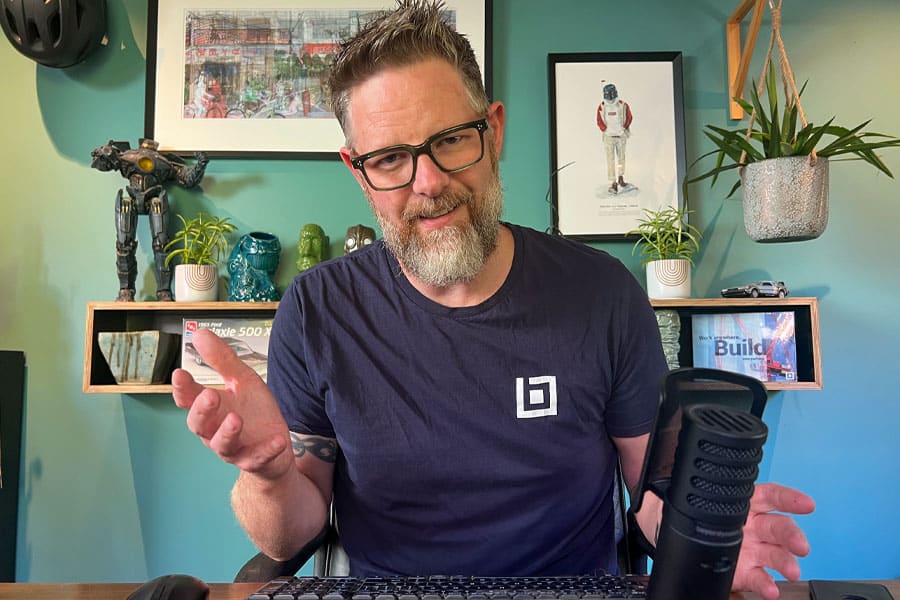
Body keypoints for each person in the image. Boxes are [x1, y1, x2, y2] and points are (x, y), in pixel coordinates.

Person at [172, 1, 814, 598]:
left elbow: (649, 497)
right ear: (358, 171)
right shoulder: (316, 310)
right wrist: (268, 472)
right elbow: (288, 536)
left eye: (451, 139)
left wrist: (706, 533)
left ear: (495, 130)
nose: (429, 182)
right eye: (392, 157)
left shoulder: (603, 294)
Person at [596, 82, 633, 194]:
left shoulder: (623, 105)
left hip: (621, 136)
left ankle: (621, 177)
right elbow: (599, 120)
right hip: (608, 137)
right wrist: (605, 129)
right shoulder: (602, 107)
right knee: (610, 160)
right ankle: (613, 182)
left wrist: (624, 127)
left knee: (621, 158)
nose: (611, 100)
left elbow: (629, 117)